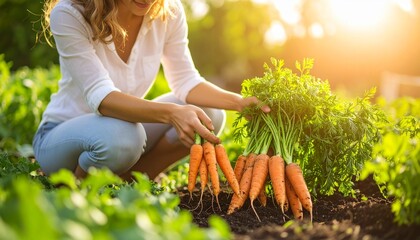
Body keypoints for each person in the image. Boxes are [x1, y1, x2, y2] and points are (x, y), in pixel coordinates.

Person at [34, 0, 269, 181]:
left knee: (209, 115)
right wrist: (171, 113)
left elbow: (185, 79)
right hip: (61, 140)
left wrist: (238, 102)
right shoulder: (70, 13)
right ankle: (76, 190)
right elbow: (102, 98)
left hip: (123, 131)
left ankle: (133, 180)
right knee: (125, 137)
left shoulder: (169, 11)